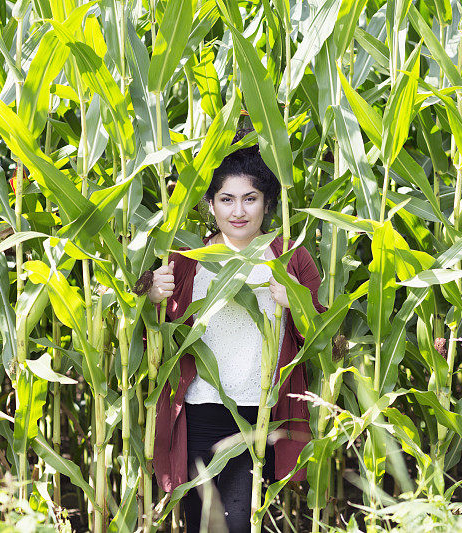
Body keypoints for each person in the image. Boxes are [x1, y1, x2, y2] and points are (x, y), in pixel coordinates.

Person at [149, 133, 325, 533]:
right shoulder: (187, 260)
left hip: (260, 412)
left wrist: (297, 302)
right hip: (201, 411)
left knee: (238, 523)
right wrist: (153, 297)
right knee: (203, 523)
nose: (239, 211)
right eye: (226, 199)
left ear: (267, 203)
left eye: (251, 198)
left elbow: (318, 337)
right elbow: (158, 340)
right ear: (210, 205)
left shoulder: (290, 258)